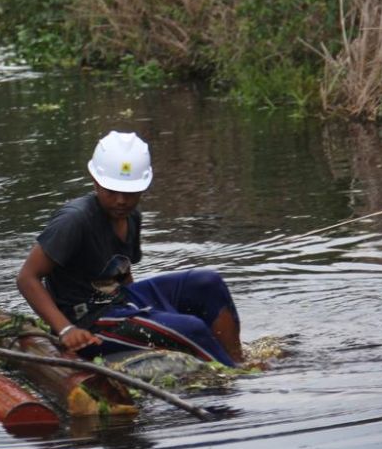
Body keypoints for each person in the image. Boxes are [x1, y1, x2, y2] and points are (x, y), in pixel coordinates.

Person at [16, 130, 244, 366]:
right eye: (111, 191)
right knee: (191, 328)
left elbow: (120, 271)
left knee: (207, 282)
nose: (121, 200)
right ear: (95, 182)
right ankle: (233, 377)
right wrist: (66, 330)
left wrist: (145, 314)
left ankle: (238, 361)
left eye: (130, 193)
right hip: (88, 320)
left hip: (117, 301)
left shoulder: (132, 215)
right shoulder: (74, 220)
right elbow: (27, 278)